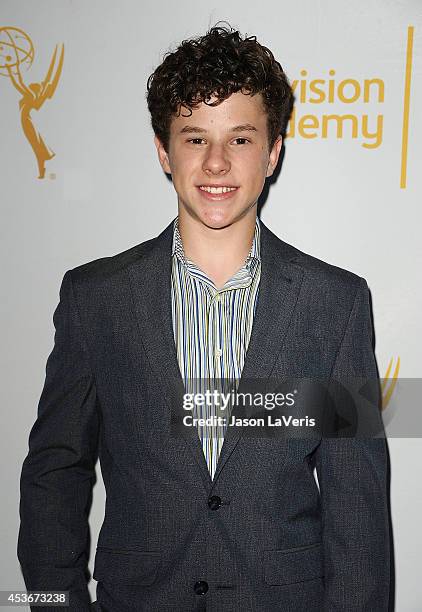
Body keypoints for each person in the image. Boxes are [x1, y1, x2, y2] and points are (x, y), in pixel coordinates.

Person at [18, 23, 391, 612]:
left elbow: (360, 513)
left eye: (240, 139)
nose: (216, 162)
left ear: (272, 153)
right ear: (164, 152)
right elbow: (53, 477)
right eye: (195, 139)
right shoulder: (96, 300)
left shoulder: (336, 305)